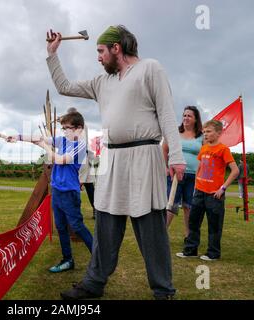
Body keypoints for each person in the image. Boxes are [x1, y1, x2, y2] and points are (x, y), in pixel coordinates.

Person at [46, 25, 186, 300]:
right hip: (112, 158)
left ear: (116, 48)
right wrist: (52, 55)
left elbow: (168, 114)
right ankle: (93, 283)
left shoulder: (150, 69)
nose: (98, 57)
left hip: (145, 156)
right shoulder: (102, 83)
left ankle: (163, 290)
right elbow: (64, 87)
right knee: (106, 223)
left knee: (151, 229)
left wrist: (177, 155)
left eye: (100, 51)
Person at [7, 111, 93, 273]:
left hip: (70, 193)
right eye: (63, 128)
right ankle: (67, 260)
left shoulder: (80, 146)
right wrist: (17, 137)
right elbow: (39, 139)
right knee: (60, 227)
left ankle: (98, 259)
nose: (65, 131)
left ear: (79, 129)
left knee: (77, 226)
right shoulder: (62, 140)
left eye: (67, 128)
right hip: (57, 191)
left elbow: (60, 159)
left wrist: (45, 146)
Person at [176, 120, 239, 261]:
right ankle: (190, 251)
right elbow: (200, 166)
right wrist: (196, 185)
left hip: (214, 195)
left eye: (209, 131)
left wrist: (222, 188)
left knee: (214, 225)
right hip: (199, 192)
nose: (205, 134)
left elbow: (235, 171)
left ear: (219, 133)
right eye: (204, 132)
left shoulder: (223, 149)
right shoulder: (203, 148)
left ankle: (213, 254)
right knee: (193, 222)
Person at [162, 106, 203, 240]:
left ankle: (188, 236)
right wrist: (166, 167)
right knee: (171, 205)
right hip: (175, 175)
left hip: (193, 176)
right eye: (184, 115)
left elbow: (206, 154)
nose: (185, 118)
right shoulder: (175, 133)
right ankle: (162, 236)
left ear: (196, 119)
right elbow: (164, 149)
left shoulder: (201, 136)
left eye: (189, 116)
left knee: (189, 207)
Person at [66, 107, 97, 219]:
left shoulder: (80, 127)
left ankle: (95, 210)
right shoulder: (75, 127)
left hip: (82, 157)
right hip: (81, 156)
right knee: (87, 185)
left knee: (82, 185)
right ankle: (92, 211)